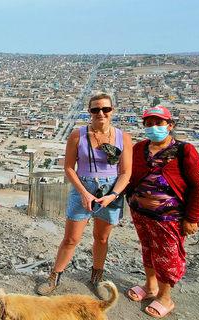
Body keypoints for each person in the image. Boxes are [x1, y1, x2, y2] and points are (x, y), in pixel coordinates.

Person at [37, 92, 132, 298]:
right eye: (96, 109)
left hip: (110, 191)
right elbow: (69, 167)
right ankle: (55, 276)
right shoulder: (77, 135)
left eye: (105, 109)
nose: (101, 113)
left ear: (112, 111)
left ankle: (96, 277)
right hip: (84, 188)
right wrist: (83, 193)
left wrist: (113, 195)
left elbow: (126, 172)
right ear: (89, 112)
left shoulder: (123, 137)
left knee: (102, 237)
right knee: (71, 238)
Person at [125, 106, 199, 318]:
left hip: (170, 217)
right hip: (141, 212)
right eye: (149, 124)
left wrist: (192, 218)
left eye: (159, 123)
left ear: (170, 125)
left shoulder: (184, 150)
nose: (154, 128)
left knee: (167, 255)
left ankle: (165, 296)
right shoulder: (139, 148)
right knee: (148, 250)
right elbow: (129, 174)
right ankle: (150, 286)